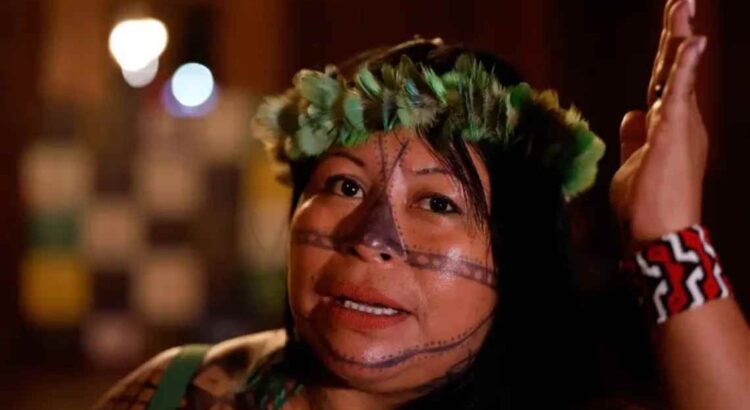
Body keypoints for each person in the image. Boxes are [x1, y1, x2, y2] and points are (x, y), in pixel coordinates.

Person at [93, 1, 750, 408]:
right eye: (344, 186)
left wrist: (667, 234)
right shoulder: (171, 394)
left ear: (516, 257)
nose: (370, 237)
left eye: (437, 202)